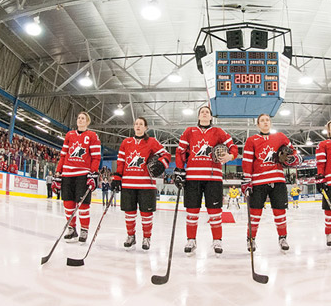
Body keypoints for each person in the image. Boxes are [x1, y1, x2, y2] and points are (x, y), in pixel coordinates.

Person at [174, 106, 238, 254]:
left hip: (213, 178)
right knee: (192, 211)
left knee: (215, 212)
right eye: (202, 112)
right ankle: (191, 239)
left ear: (211, 117)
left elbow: (233, 147)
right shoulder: (189, 131)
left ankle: (217, 241)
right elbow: (180, 151)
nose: (204, 113)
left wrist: (230, 156)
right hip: (192, 178)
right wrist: (179, 170)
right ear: (198, 116)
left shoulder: (218, 132)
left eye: (207, 112)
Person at [242, 114, 300, 252]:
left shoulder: (280, 137)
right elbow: (247, 161)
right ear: (258, 125)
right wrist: (247, 179)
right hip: (258, 181)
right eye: (262, 120)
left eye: (267, 120)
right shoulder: (252, 140)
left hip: (278, 180)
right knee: (255, 213)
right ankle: (251, 239)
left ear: (271, 123)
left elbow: (294, 153)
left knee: (280, 211)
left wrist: (292, 159)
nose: (265, 122)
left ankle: (282, 238)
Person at [111, 117, 171, 251]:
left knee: (146, 214)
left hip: (146, 185)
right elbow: (121, 162)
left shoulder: (152, 142)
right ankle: (131, 236)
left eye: (141, 124)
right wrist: (117, 177)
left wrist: (161, 163)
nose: (138, 126)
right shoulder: (126, 142)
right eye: (136, 124)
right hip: (128, 184)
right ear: (134, 127)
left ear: (145, 128)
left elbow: (166, 155)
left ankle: (146, 238)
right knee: (130, 213)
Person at [55, 111, 101, 243]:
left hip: (83, 175)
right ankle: (71, 228)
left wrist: (93, 172)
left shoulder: (92, 136)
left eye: (83, 118)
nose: (80, 120)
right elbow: (63, 155)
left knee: (83, 205)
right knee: (68, 203)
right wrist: (58, 172)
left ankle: (84, 230)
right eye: (79, 118)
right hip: (67, 174)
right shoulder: (69, 135)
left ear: (87, 122)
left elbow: (96, 157)